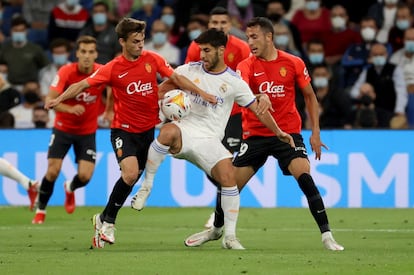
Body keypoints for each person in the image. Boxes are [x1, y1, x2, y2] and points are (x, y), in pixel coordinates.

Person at [45, 18, 217, 249]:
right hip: (123, 131)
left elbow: (175, 77)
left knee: (132, 177)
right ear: (122, 41)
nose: (140, 45)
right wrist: (59, 99)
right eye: (135, 41)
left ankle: (103, 219)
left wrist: (201, 93)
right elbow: (82, 85)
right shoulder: (113, 68)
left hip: (147, 131)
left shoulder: (152, 59)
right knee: (129, 174)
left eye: (142, 40)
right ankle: (109, 224)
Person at [183, 17, 345, 251]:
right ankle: (216, 229)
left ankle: (327, 236)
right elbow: (244, 92)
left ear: (269, 37)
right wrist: (259, 97)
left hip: (287, 133)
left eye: (254, 37)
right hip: (255, 135)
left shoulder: (293, 62)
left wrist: (315, 132)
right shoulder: (246, 66)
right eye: (248, 37)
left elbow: (310, 96)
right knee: (229, 186)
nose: (250, 42)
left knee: (305, 177)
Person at [130, 28, 294, 250]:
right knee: (167, 132)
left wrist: (278, 132)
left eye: (206, 51)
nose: (202, 56)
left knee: (229, 179)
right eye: (200, 50)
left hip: (210, 141)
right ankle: (146, 186)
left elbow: (258, 110)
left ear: (221, 50)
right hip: (184, 130)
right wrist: (163, 104)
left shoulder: (234, 81)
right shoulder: (187, 70)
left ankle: (229, 237)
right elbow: (159, 91)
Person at [32, 35, 105, 224]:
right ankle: (41, 209)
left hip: (87, 132)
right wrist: (70, 108)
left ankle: (70, 187)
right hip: (63, 129)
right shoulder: (66, 72)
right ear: (77, 54)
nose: (87, 56)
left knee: (85, 176)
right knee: (52, 171)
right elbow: (49, 101)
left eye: (91, 52)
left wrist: (111, 110)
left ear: (96, 54)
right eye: (83, 52)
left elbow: (113, 89)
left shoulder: (101, 72)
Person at [185, 6, 251, 154]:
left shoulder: (242, 48)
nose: (219, 26)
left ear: (230, 25)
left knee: (229, 158)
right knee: (210, 158)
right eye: (215, 22)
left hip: (233, 112)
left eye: (223, 22)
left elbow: (247, 82)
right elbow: (186, 77)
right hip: (205, 111)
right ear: (208, 25)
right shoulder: (196, 47)